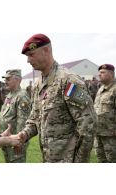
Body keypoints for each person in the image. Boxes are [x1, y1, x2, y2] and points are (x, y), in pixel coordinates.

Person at [15, 33, 96, 162]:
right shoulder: (39, 83)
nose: (28, 60)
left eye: (31, 55)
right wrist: (24, 134)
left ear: (46, 50)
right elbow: (35, 117)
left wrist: (80, 161)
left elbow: (87, 124)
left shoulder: (68, 81)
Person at [0, 69, 31, 162]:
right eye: (5, 79)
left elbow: (23, 122)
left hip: (15, 142)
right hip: (7, 140)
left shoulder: (21, 96)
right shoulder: (10, 95)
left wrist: (19, 142)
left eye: (8, 79)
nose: (5, 81)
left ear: (17, 80)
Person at [94, 64, 116, 162]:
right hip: (98, 132)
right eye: (99, 72)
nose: (99, 74)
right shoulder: (101, 89)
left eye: (103, 72)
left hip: (111, 135)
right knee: (101, 160)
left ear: (111, 74)